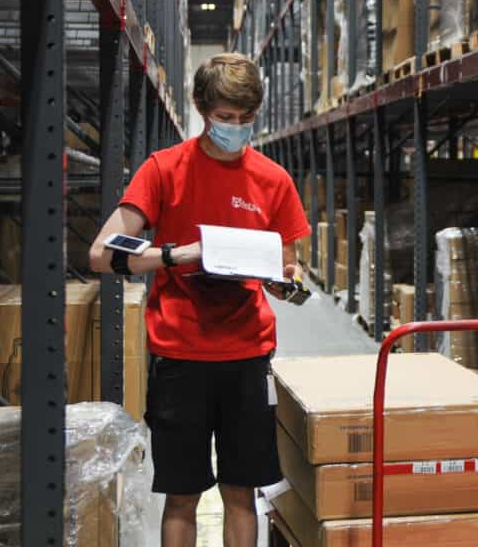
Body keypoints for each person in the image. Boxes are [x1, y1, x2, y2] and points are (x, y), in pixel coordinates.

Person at [89, 53, 311, 547]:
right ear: (201, 109)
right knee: (183, 494)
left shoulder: (274, 181)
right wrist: (178, 254)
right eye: (224, 118)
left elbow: (288, 265)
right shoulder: (164, 170)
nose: (235, 128)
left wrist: (281, 281)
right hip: (180, 356)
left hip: (246, 355)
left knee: (242, 489)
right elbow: (102, 253)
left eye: (245, 119)